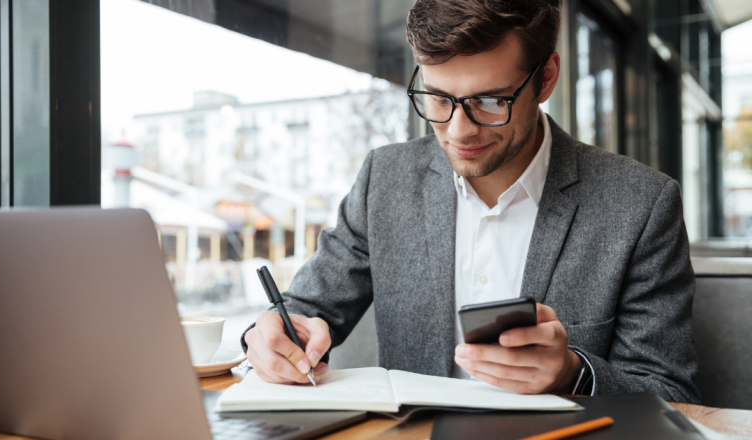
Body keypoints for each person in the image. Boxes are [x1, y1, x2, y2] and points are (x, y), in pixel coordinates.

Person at [241, 0, 700, 402]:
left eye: (489, 100)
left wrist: (573, 374)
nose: (459, 131)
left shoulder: (640, 205)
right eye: (438, 98)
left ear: (546, 79)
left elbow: (670, 393)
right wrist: (269, 338)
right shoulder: (385, 179)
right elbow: (303, 311)